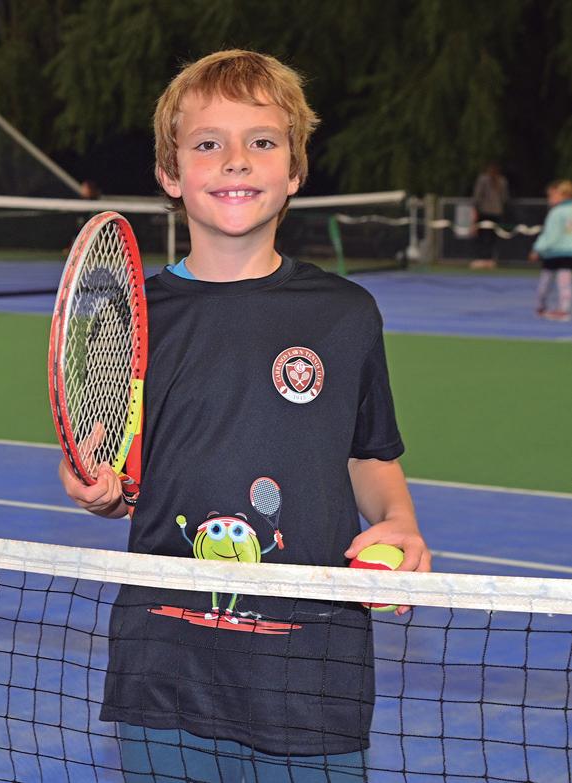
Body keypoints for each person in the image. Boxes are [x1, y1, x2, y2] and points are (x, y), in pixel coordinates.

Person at [58, 50, 430, 782]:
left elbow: (368, 452)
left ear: (294, 170)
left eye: (261, 140)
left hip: (311, 671)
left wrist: (400, 520)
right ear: (170, 174)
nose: (235, 159)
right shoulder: (129, 317)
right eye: (207, 143)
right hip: (164, 665)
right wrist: (97, 487)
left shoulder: (346, 314)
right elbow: (112, 461)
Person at [529, 179, 572, 321]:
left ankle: (540, 306)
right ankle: (564, 309)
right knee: (565, 284)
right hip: (569, 254)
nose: (549, 199)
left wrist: (537, 249)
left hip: (554, 254)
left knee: (545, 282)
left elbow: (550, 235)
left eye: (552, 195)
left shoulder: (556, 212)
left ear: (564, 195)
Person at [471, 161, 510, 266]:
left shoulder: (483, 179)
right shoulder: (502, 180)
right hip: (497, 212)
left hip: (484, 212)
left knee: (483, 236)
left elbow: (477, 196)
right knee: (493, 237)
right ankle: (490, 259)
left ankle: (483, 259)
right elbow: (505, 198)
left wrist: (475, 209)